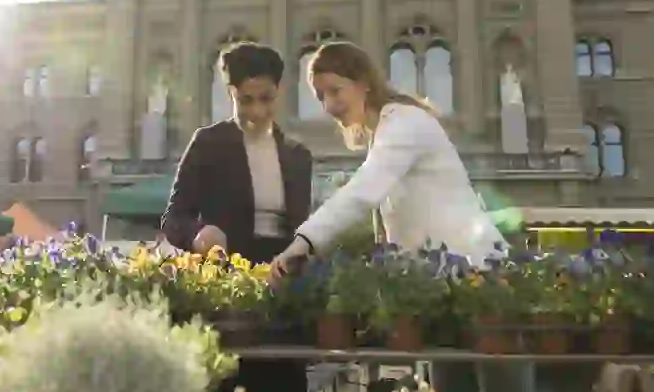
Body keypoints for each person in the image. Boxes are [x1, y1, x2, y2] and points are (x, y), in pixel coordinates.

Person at [268, 40, 521, 392]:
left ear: (363, 83)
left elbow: (362, 191)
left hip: (480, 279)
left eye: (335, 91)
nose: (328, 105)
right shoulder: (386, 131)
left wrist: (303, 243)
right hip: (446, 286)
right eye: (321, 96)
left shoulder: (405, 122)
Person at [162, 41, 312, 392]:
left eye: (266, 99)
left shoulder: (297, 156)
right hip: (227, 292)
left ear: (279, 94)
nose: (257, 111)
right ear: (230, 93)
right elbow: (174, 218)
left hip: (283, 292)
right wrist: (198, 233)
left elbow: (302, 228)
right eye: (246, 100)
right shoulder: (208, 144)